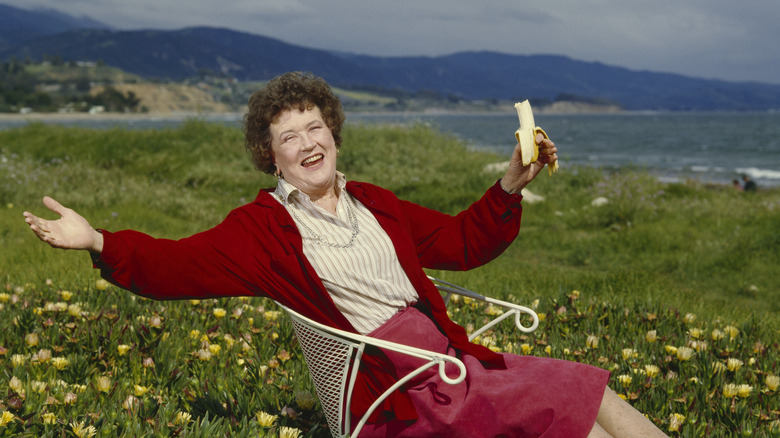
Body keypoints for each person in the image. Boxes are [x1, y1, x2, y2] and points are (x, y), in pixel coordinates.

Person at [24, 72, 666, 438]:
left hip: (449, 365)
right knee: (579, 417)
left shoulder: (376, 204)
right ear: (268, 155)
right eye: (288, 137)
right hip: (399, 391)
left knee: (596, 394)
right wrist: (100, 241)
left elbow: (462, 244)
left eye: (314, 128)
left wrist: (506, 187)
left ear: (333, 133)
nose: (307, 144)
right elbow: (174, 266)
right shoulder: (262, 230)